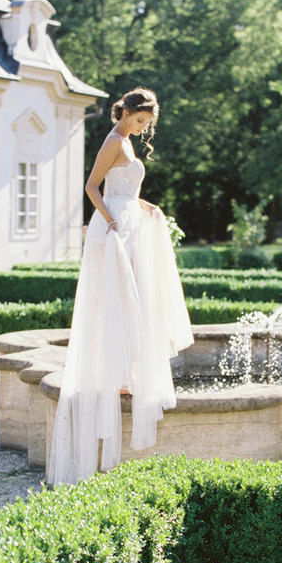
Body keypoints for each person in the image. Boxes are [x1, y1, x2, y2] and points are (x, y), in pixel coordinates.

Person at [48, 87, 193, 485]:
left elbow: (125, 192)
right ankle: (119, 376)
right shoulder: (114, 141)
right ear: (126, 112)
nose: (144, 127)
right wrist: (111, 222)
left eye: (148, 123)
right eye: (141, 120)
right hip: (113, 230)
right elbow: (93, 187)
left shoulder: (127, 142)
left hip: (129, 225)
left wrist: (148, 206)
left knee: (134, 300)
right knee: (118, 301)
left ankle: (127, 376)